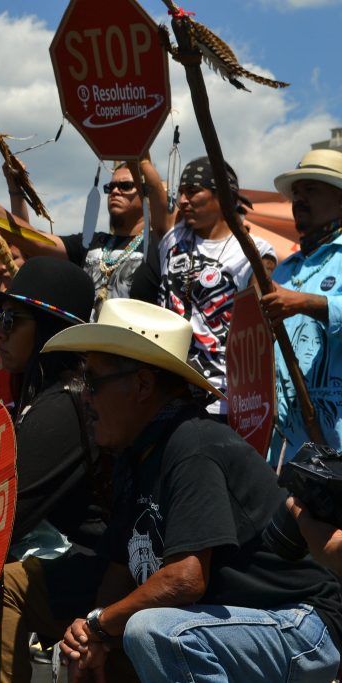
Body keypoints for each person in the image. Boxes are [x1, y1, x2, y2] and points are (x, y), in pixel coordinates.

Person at [39, 298, 342, 682]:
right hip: (242, 628)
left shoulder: (192, 443)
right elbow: (119, 571)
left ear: (143, 384)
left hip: (300, 622)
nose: (84, 396)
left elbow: (184, 579)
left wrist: (101, 625)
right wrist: (94, 634)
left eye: (93, 382)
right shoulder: (138, 457)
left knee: (153, 632)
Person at [0, 258, 109, 683]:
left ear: (49, 329)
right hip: (73, 564)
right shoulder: (48, 397)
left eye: (11, 319)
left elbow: (2, 517)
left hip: (100, 571)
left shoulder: (64, 405)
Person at [0, 158, 169, 317]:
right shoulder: (92, 243)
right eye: (110, 187)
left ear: (146, 193)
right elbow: (32, 240)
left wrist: (139, 159)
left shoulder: (162, 243)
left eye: (125, 186)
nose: (115, 191)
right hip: (88, 361)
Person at [151, 157, 277, 416]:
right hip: (163, 390)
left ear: (222, 195)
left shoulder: (254, 251)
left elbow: (261, 328)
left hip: (220, 399)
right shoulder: (173, 236)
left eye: (193, 190)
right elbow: (149, 180)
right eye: (181, 191)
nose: (183, 200)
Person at [262, 148, 342, 463]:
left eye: (311, 189)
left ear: (339, 199)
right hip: (281, 448)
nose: (299, 199)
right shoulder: (286, 268)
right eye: (296, 192)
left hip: (334, 440)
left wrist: (305, 302)